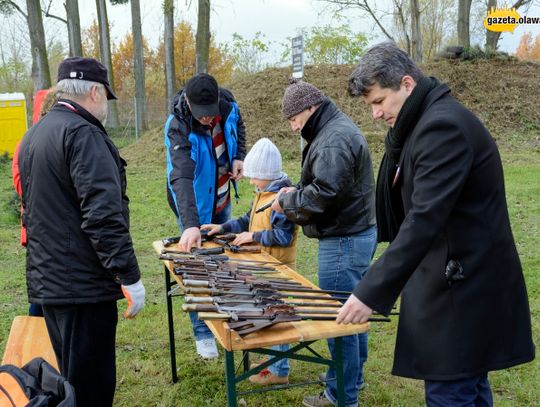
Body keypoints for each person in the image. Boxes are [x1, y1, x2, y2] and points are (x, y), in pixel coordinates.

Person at [337, 42, 535, 406]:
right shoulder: (426, 121)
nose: (376, 115)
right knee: (468, 387)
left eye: (379, 101)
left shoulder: (442, 126)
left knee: (452, 390)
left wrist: (370, 291)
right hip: (456, 282)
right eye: (371, 106)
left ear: (407, 84)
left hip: (463, 290)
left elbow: (424, 219)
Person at [18, 57, 145, 407]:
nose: (105, 104)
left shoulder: (35, 134)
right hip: (84, 289)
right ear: (93, 91)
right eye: (105, 94)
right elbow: (103, 216)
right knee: (91, 387)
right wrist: (129, 276)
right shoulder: (83, 135)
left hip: (52, 285)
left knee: (68, 386)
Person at [272, 79, 377, 407]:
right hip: (355, 232)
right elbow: (326, 184)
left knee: (339, 318)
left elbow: (325, 195)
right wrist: (297, 192)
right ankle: (349, 378)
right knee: (353, 311)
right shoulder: (332, 129)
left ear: (309, 108)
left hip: (344, 239)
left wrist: (286, 204)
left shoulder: (332, 138)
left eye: (293, 119)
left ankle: (340, 395)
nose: (293, 127)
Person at [202, 137, 298, 385]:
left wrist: (254, 236)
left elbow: (283, 237)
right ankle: (273, 363)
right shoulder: (263, 192)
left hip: (278, 269)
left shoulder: (283, 199)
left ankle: (279, 371)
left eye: (255, 176)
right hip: (262, 267)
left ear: (267, 174)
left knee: (278, 317)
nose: (251, 181)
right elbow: (246, 220)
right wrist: (222, 227)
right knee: (266, 313)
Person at [164, 73, 246, 359]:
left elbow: (239, 127)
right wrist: (190, 225)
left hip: (222, 198)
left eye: (211, 114)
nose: (208, 120)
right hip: (193, 205)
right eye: (203, 116)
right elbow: (182, 176)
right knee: (196, 270)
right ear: (188, 102)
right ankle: (202, 332)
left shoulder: (228, 105)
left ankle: (228, 319)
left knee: (225, 263)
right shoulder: (177, 126)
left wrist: (239, 156)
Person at [12, 88, 58, 317]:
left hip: (49, 227)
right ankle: (36, 330)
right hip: (39, 228)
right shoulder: (28, 142)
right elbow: (21, 184)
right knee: (44, 288)